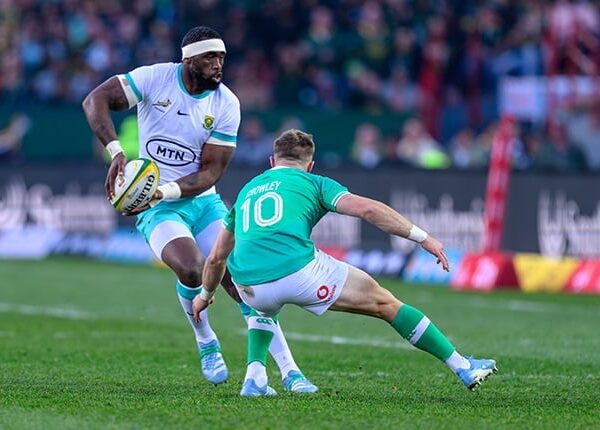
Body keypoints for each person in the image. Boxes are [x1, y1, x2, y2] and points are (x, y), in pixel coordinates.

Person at [82, 26, 317, 395]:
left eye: (222, 57)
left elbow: (211, 172)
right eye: (210, 57)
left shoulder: (226, 103)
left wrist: (163, 190)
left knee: (246, 284)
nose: (218, 65)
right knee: (192, 269)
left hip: (199, 201)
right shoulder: (155, 78)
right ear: (188, 59)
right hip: (157, 208)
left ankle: (290, 372)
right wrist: (117, 153)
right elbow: (94, 100)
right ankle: (205, 338)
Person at [193, 128, 497, 395]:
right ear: (310, 165)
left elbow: (217, 256)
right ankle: (462, 366)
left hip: (246, 283)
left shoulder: (248, 190)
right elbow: (368, 210)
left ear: (272, 162)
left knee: (262, 307)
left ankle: (255, 378)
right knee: (385, 304)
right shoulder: (315, 183)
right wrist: (423, 238)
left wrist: (205, 296)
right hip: (298, 274)